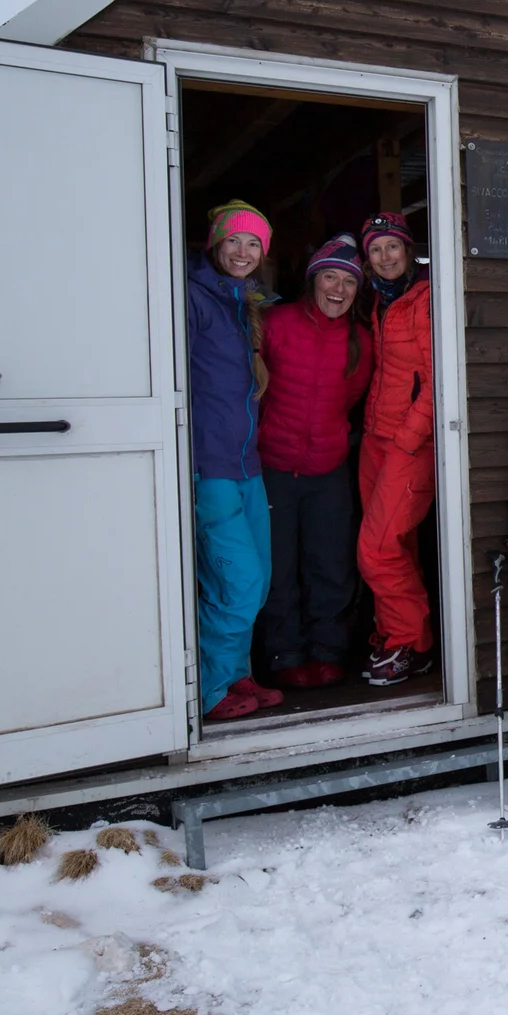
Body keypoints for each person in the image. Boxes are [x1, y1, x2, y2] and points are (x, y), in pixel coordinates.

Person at [257, 234, 372, 689]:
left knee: (330, 564)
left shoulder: (360, 341)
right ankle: (284, 653)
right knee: (278, 566)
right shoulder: (275, 323)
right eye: (330, 276)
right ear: (312, 280)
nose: (339, 290)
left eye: (348, 281)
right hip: (273, 467)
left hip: (328, 469)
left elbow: (353, 398)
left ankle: (327, 651)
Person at [189, 199, 279, 722]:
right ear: (216, 244)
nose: (243, 252)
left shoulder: (241, 302)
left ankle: (236, 670)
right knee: (236, 580)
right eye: (234, 241)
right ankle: (212, 686)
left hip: (247, 462)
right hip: (212, 465)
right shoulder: (194, 299)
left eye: (253, 244)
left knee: (258, 578)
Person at [355, 210, 436, 686]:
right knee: (394, 546)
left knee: (377, 550)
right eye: (376, 249)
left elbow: (434, 380)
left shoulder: (423, 300)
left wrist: (408, 437)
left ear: (408, 251)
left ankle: (410, 642)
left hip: (409, 443)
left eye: (392, 246)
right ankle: (396, 638)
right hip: (375, 439)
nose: (385, 256)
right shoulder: (381, 302)